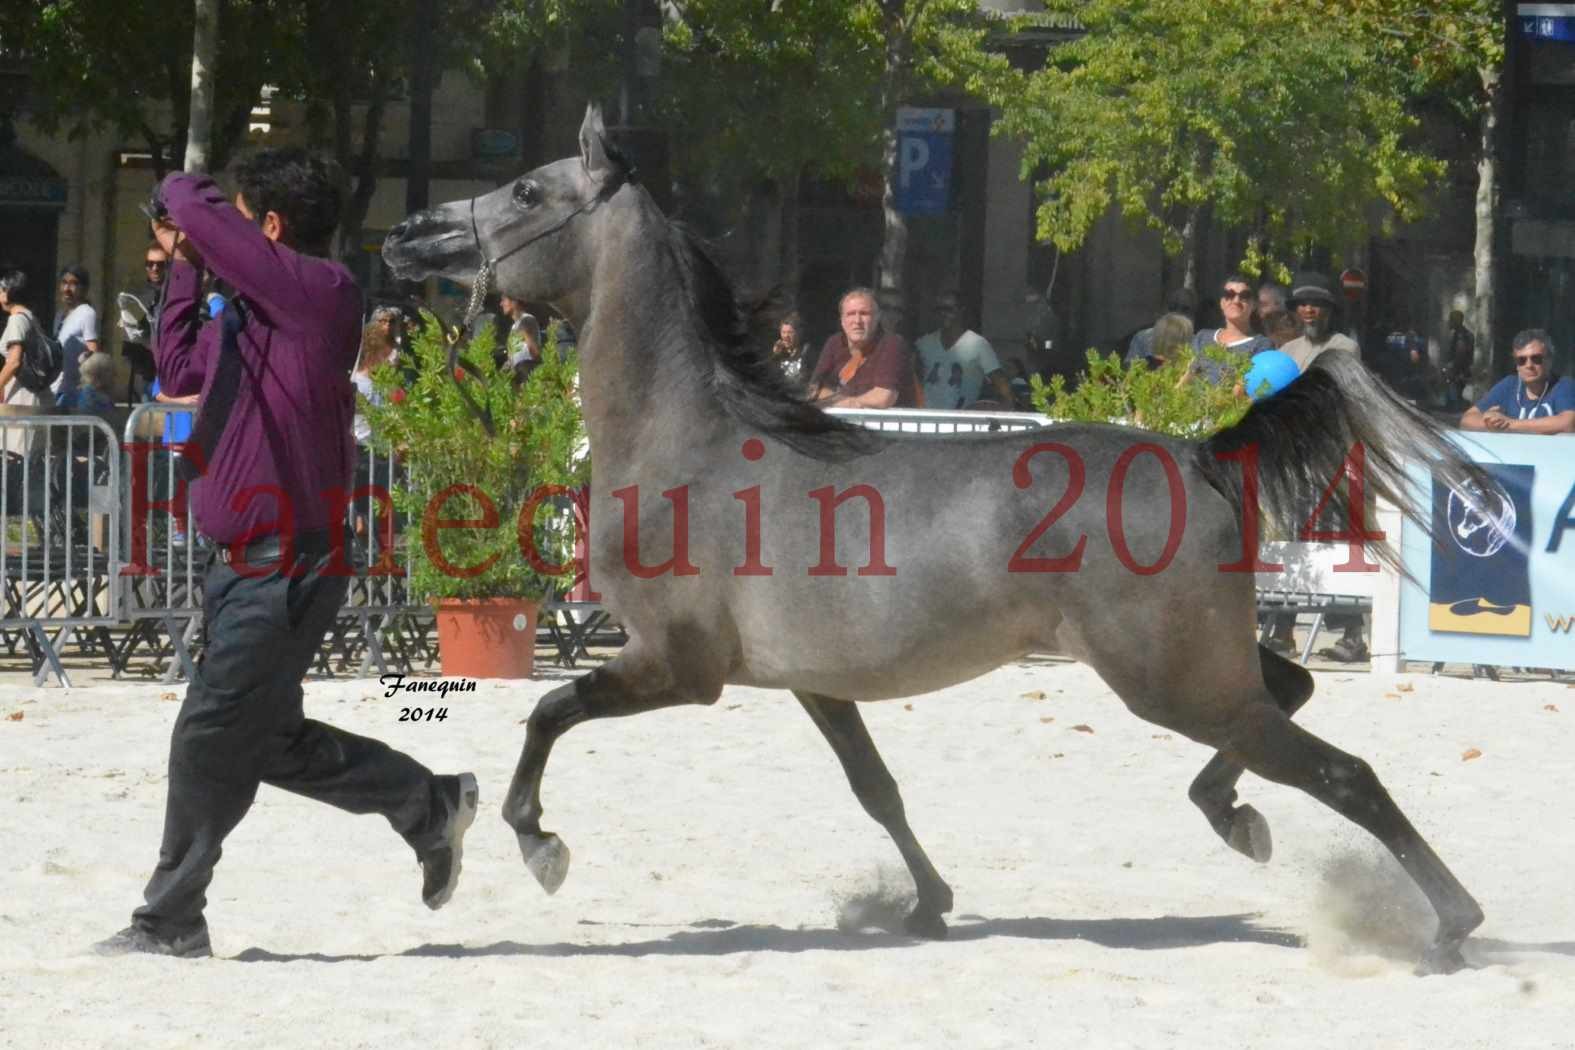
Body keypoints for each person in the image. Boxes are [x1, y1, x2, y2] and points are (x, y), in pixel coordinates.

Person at [94, 148, 478, 960]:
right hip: (236, 564)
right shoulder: (253, 319)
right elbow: (177, 368)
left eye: (238, 217)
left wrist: (176, 186)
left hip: (287, 561)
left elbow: (195, 211)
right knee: (261, 740)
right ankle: (427, 803)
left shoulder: (321, 293)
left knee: (208, 731)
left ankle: (171, 919)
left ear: (268, 226)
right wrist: (188, 275)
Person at [808, 287, 916, 409]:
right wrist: (847, 403)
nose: (857, 321)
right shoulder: (834, 342)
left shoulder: (892, 344)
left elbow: (883, 398)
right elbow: (815, 389)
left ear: (877, 318)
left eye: (864, 314)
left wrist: (842, 403)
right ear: (842, 320)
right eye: (850, 314)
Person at [1460, 328, 1575, 434]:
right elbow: (1466, 420)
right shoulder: (1509, 385)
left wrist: (1510, 424)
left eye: (1536, 359)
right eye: (1521, 360)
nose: (1529, 365)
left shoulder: (1564, 386)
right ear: (1516, 365)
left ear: (1549, 360)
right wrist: (1491, 423)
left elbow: (1569, 423)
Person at [914, 291, 1013, 409]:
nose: (943, 314)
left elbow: (1003, 388)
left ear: (961, 310)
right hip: (926, 420)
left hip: (962, 422)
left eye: (948, 309)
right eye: (939, 309)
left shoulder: (978, 344)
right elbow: (912, 381)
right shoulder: (924, 344)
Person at [1190, 275, 1273, 384]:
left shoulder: (1262, 345)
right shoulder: (1201, 337)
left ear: (1254, 305)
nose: (1236, 300)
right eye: (1229, 294)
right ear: (1221, 302)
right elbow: (1187, 376)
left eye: (1244, 296)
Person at [118, 242, 169, 402]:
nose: (154, 268)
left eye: (160, 264)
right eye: (150, 264)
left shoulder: (174, 293)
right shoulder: (138, 292)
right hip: (142, 367)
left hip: (166, 370)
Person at [1280, 273, 1359, 373]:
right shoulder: (1287, 350)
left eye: (1316, 303)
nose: (1308, 310)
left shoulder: (1344, 347)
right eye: (1303, 304)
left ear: (1330, 309)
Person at [51, 264, 100, 401]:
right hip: (56, 389)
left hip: (73, 392)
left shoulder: (87, 313)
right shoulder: (60, 315)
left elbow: (93, 353)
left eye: (73, 284)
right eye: (64, 283)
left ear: (84, 289)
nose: (67, 289)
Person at [1125, 287, 1197, 368]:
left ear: (1194, 314)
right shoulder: (1142, 337)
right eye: (1172, 307)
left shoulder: (1198, 343)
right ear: (1162, 309)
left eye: (1185, 309)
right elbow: (1130, 371)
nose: (1177, 312)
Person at [1443, 309, 1476, 410]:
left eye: (1451, 320)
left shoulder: (1462, 336)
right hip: (1460, 369)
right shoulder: (1460, 334)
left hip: (1458, 370)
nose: (1449, 322)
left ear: (1456, 321)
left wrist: (1452, 367)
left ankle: (1456, 406)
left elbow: (1461, 354)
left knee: (1454, 394)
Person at [770, 311, 806, 384]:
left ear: (798, 333)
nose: (786, 336)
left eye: (790, 332)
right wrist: (775, 355)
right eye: (783, 332)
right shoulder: (778, 352)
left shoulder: (806, 351)